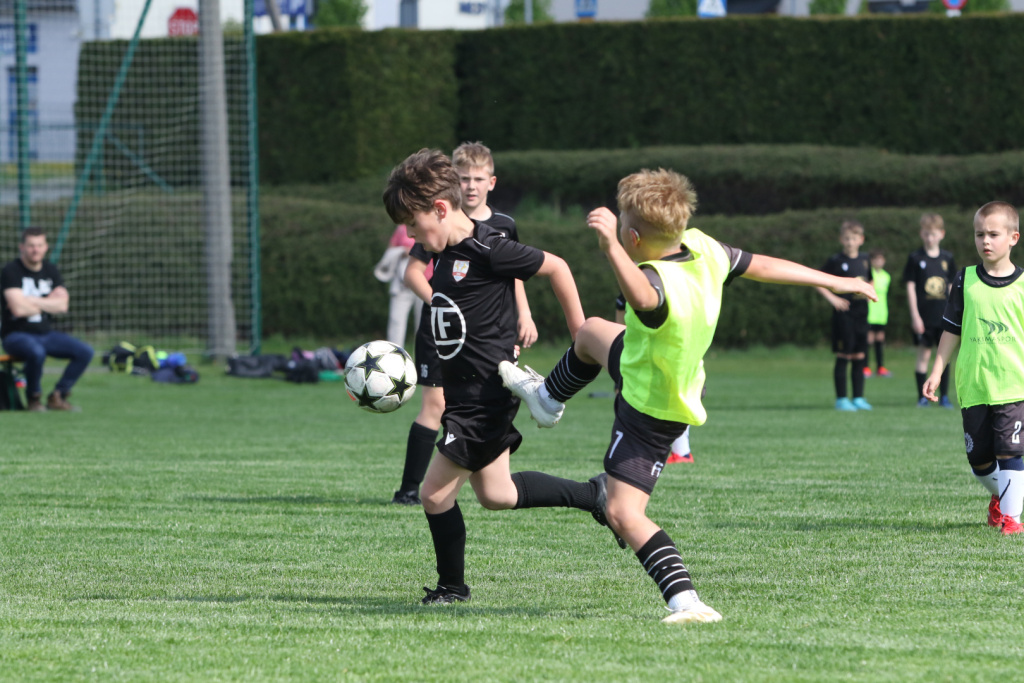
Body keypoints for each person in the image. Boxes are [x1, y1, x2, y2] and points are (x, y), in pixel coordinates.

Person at [499, 168, 877, 624]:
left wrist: (610, 247)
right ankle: (547, 398)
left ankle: (686, 601)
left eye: (623, 225)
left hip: (651, 405)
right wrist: (832, 280)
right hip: (647, 362)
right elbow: (762, 265)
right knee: (592, 332)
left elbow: (644, 298)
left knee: (622, 512)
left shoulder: (657, 284)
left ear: (634, 237)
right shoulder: (704, 247)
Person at [383, 148, 603, 606]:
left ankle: (452, 588)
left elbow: (557, 267)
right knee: (497, 494)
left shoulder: (488, 247)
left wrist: (580, 336)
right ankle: (593, 494)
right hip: (463, 394)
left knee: (433, 494)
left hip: (485, 396)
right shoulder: (443, 252)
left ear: (439, 209)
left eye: (412, 224)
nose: (410, 235)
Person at [390, 141, 538, 506]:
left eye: (478, 178)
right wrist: (445, 307)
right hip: (441, 333)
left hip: (483, 342)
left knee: (494, 491)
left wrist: (524, 314)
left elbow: (515, 273)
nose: (471, 185)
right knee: (434, 406)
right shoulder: (435, 224)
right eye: (464, 178)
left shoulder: (500, 228)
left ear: (491, 182)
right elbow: (413, 272)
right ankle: (409, 489)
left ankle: (436, 489)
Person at [923, 201, 1023, 535]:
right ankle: (1003, 496)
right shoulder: (964, 280)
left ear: (1013, 238)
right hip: (974, 384)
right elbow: (951, 330)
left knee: (1010, 451)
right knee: (979, 460)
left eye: (993, 234)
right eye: (980, 234)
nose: (985, 241)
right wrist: (937, 371)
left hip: (1014, 384)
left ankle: (1012, 519)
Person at [1, 227, 94, 412]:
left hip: (45, 334)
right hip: (15, 335)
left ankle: (58, 396)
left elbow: (63, 306)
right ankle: (33, 398)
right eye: (31, 246)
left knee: (85, 352)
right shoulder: (11, 271)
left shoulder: (51, 270)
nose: (35, 250)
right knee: (36, 352)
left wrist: (32, 300)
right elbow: (18, 309)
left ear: (45, 247)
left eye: (39, 245)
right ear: (22, 247)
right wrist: (48, 301)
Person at [816, 221, 873, 411]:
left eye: (854, 238)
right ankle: (841, 399)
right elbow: (817, 280)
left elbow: (870, 280)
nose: (850, 242)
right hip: (843, 314)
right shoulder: (836, 261)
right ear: (841, 240)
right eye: (847, 239)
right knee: (844, 355)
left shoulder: (865, 259)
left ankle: (858, 398)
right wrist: (833, 299)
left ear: (861, 240)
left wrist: (869, 293)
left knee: (860, 356)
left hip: (861, 313)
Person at [904, 213, 957, 408]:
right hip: (924, 318)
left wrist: (954, 313)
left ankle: (944, 397)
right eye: (926, 234)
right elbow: (910, 288)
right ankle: (922, 396)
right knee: (924, 356)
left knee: (944, 357)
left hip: (943, 317)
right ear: (921, 234)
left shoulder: (947, 258)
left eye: (934, 234)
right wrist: (915, 316)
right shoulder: (915, 258)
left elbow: (952, 287)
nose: (930, 238)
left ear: (941, 234)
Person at [376, 224, 420, 348]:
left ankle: (424, 356)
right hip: (402, 285)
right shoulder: (401, 228)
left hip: (425, 281)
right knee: (396, 322)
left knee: (424, 324)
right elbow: (390, 251)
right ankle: (394, 354)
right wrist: (402, 251)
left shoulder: (430, 224)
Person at [865, 249, 892, 378]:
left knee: (880, 339)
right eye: (876, 259)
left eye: (881, 259)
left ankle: (880, 367)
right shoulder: (868, 274)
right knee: (869, 339)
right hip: (870, 311)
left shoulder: (887, 276)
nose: (878, 262)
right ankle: (865, 367)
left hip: (881, 312)